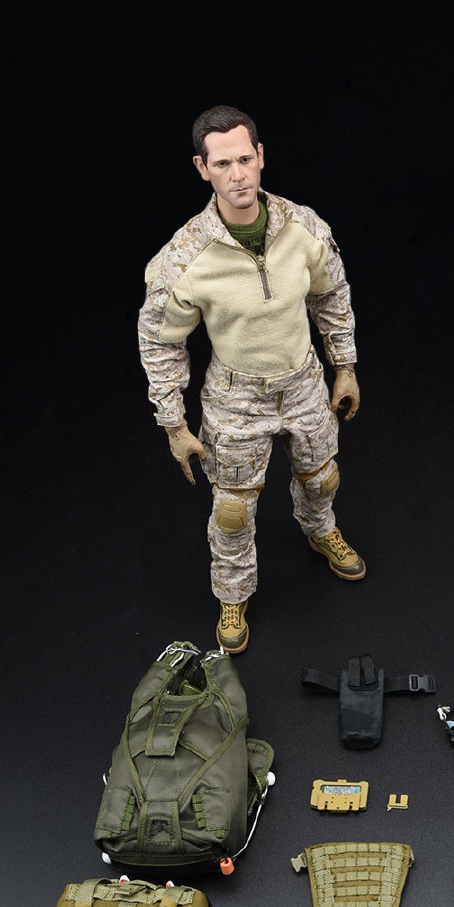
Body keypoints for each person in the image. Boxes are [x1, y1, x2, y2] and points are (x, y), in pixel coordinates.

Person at [138, 104, 364, 653]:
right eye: (222, 164)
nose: (237, 175)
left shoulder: (302, 227)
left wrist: (345, 368)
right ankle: (233, 593)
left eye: (244, 159)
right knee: (233, 512)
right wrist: (174, 424)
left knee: (321, 477)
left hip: (303, 381)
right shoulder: (185, 257)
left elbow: (331, 294)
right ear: (202, 168)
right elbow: (161, 341)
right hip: (236, 398)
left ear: (260, 157)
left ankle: (321, 531)